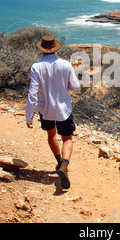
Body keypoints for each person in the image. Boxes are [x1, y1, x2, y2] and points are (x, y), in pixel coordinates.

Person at [25, 35, 80, 189]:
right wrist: (64, 87)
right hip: (63, 108)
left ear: (42, 49)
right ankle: (64, 164)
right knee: (67, 138)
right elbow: (75, 87)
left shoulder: (36, 67)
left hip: (45, 109)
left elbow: (32, 93)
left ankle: (59, 163)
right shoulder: (66, 65)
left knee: (51, 135)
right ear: (55, 48)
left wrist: (28, 115)